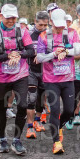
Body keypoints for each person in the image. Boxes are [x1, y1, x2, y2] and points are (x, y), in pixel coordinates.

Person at [0, 4, 35, 155]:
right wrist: (7, 56)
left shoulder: (22, 30)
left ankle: (17, 140)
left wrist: (18, 55)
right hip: (1, 76)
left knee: (23, 105)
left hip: (20, 74)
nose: (11, 20)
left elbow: (31, 51)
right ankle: (3, 140)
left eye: (14, 18)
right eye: (8, 18)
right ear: (1, 17)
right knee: (2, 107)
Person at [35, 9, 80, 154]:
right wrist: (54, 54)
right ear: (51, 22)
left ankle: (58, 126)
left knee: (69, 110)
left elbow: (78, 50)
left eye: (62, 25)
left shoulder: (72, 33)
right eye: (57, 25)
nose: (60, 28)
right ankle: (56, 142)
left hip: (68, 79)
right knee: (54, 109)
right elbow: (39, 58)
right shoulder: (44, 36)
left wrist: (66, 52)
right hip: (51, 80)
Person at [25, 11, 49, 139]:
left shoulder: (49, 35)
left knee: (41, 97)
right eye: (40, 25)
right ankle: (29, 127)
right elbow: (23, 51)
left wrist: (43, 55)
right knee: (32, 98)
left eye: (45, 25)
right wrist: (34, 53)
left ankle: (37, 120)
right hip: (31, 71)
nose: (43, 28)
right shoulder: (28, 34)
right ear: (35, 22)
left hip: (45, 71)